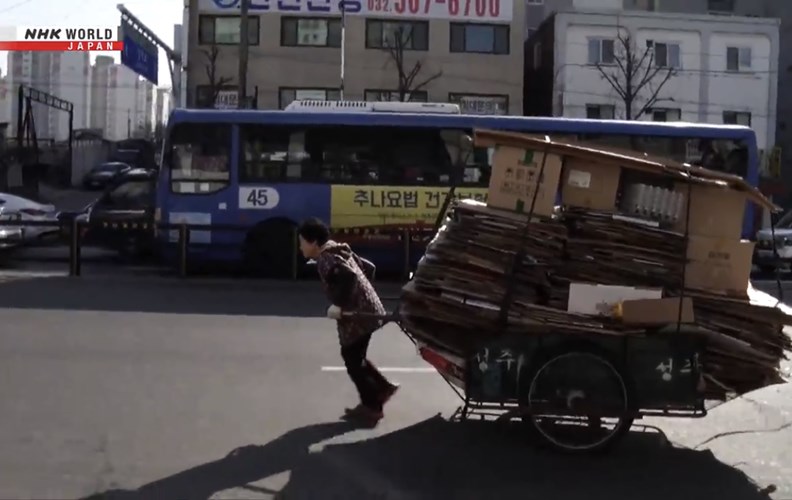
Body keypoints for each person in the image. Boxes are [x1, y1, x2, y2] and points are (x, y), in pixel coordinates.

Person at [297, 218, 399, 424]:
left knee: (352, 360)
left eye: (302, 242)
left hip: (359, 316)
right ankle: (382, 388)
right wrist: (366, 294)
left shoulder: (326, 259)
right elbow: (368, 268)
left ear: (314, 243)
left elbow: (349, 278)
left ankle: (373, 407)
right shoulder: (338, 249)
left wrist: (341, 305)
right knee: (355, 356)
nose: (300, 247)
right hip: (368, 310)